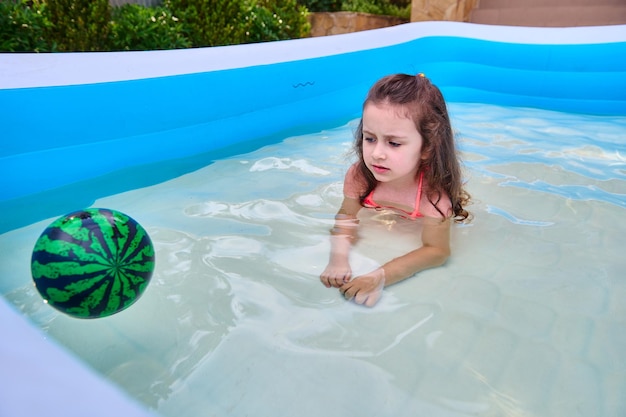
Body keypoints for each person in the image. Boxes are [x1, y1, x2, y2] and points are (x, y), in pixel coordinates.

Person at [320, 73, 471, 307]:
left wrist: (379, 276)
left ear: (427, 147)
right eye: (370, 138)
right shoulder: (360, 176)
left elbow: (437, 251)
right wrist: (338, 259)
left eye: (394, 143)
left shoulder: (433, 198)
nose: (377, 153)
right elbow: (346, 215)